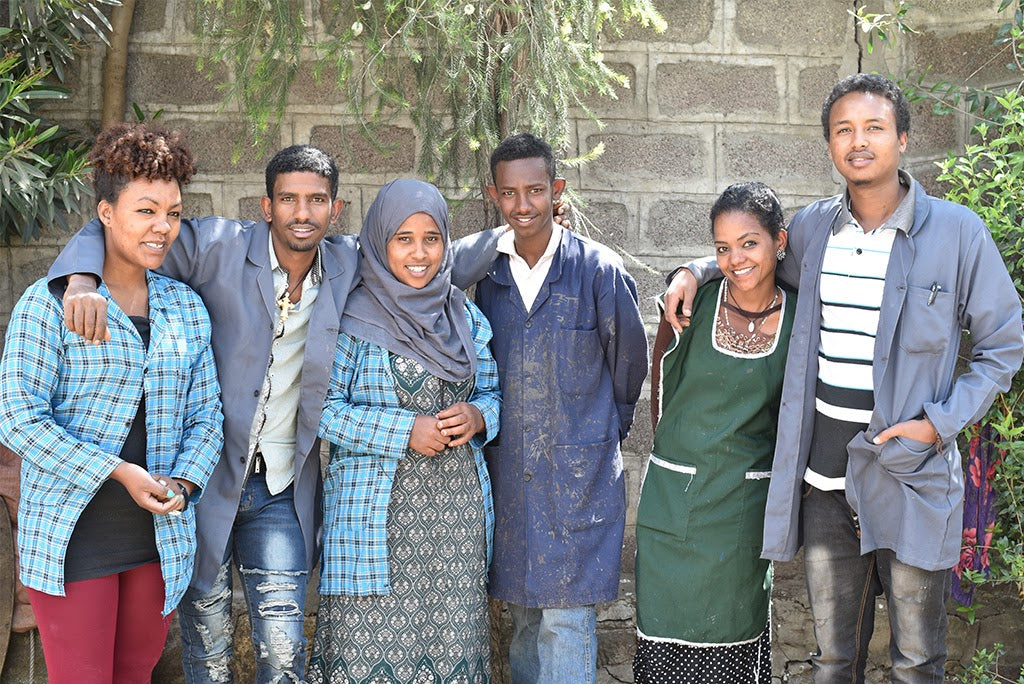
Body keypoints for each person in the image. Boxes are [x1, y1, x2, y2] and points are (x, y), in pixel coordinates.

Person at [664, 73, 1024, 682]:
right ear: (830, 144)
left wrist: (935, 426)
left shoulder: (958, 234)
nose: (859, 141)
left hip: (910, 473)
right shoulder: (812, 231)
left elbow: (1003, 346)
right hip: (825, 484)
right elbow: (753, 253)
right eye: (843, 130)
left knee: (917, 662)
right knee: (834, 661)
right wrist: (695, 269)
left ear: (903, 138)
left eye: (874, 128)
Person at [48, 145, 356, 683]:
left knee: (284, 648)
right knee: (207, 651)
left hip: (280, 489)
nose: (302, 213)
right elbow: (128, 224)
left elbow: (434, 250)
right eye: (289, 199)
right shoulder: (217, 246)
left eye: (316, 201)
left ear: (337, 209)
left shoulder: (351, 262)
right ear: (266, 206)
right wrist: (78, 278)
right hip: (200, 489)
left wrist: (536, 230)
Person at [0, 122, 223, 683]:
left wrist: (186, 483)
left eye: (173, 213)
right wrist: (120, 471)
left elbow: (208, 414)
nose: (162, 227)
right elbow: (19, 419)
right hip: (72, 536)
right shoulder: (48, 304)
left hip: (158, 536)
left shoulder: (185, 307)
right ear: (105, 212)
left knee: (135, 676)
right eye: (146, 210)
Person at [309, 179, 501, 683]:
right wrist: (403, 430)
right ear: (379, 242)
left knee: (450, 648)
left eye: (432, 238)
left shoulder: (465, 316)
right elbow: (320, 411)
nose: (419, 253)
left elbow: (493, 394)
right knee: (365, 653)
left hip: (453, 519)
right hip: (373, 521)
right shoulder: (350, 318)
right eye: (404, 238)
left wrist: (479, 417)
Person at [475, 133, 648, 684]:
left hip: (581, 478)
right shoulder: (488, 278)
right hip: (513, 478)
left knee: (566, 621)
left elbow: (629, 368)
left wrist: (596, 435)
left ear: (557, 189)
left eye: (535, 191)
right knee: (525, 617)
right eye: (509, 194)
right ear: (493, 196)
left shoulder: (596, 270)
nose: (523, 206)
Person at [633, 182, 793, 683]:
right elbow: (660, 382)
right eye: (722, 248)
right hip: (673, 505)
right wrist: (690, 270)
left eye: (749, 243)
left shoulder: (801, 318)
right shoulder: (690, 303)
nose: (735, 258)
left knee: (735, 645)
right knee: (664, 651)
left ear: (780, 242)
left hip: (741, 516)